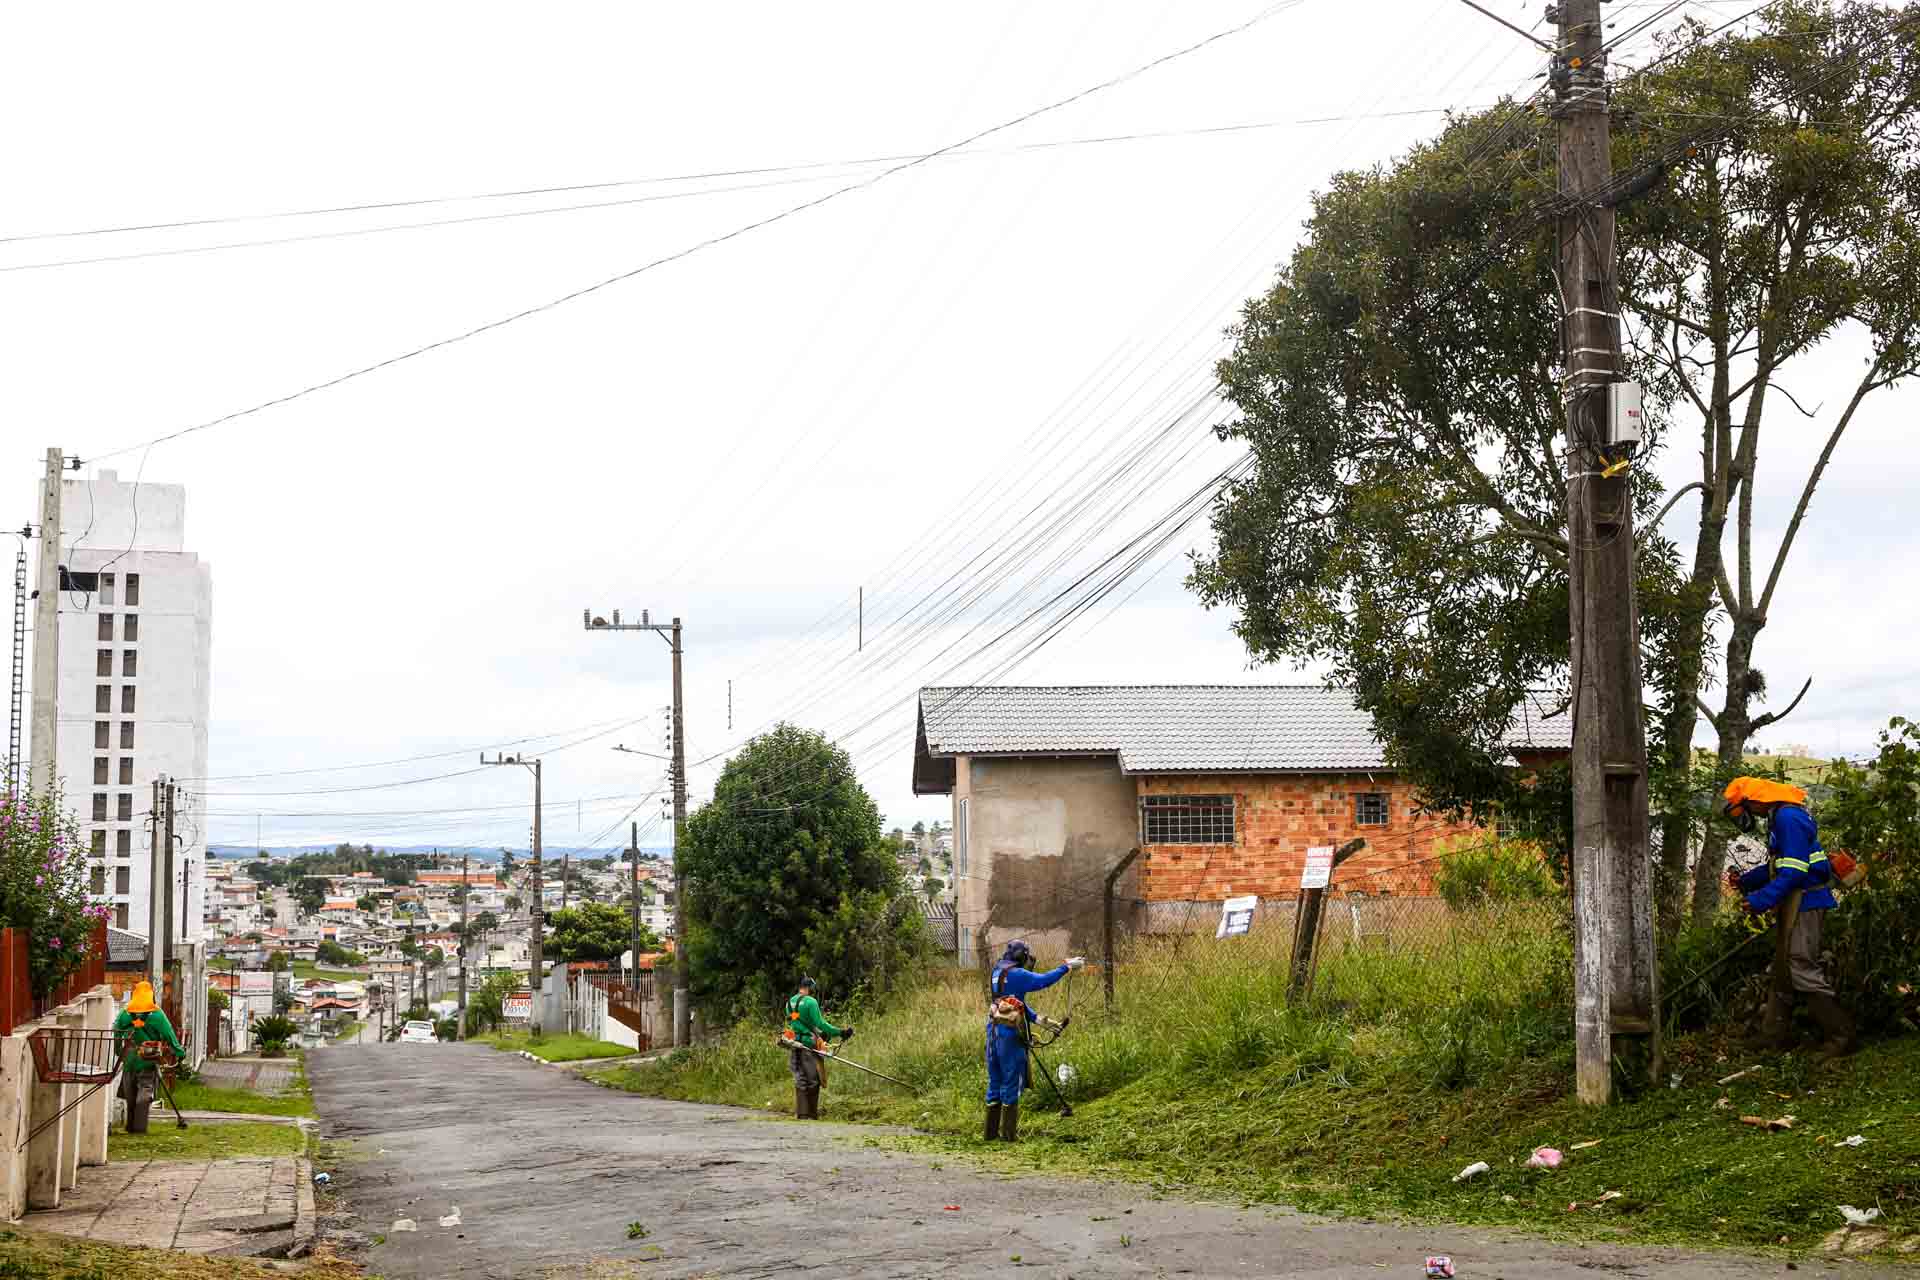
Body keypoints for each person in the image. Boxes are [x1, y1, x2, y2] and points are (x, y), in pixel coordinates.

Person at [1722, 776, 1854, 1060]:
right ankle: (1773, 1036)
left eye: (1740, 809)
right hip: (1795, 899)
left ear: (1754, 802)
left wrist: (1760, 899)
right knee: (1783, 968)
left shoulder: (1787, 818)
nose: (1744, 816)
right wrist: (1746, 882)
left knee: (1800, 965)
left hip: (1806, 901)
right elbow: (1781, 864)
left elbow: (1794, 872)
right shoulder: (1780, 816)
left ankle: (1840, 1035)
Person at [984, 939, 1083, 1142]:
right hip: (1009, 1034)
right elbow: (1043, 981)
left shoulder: (997, 971)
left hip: (993, 1031)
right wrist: (1066, 967)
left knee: (995, 1081)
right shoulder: (1018, 974)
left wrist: (1038, 1019)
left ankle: (990, 1135)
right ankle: (1009, 1137)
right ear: (1021, 956)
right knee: (1011, 1080)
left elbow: (1012, 1002)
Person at [783, 976, 851, 1120]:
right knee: (813, 1079)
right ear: (810, 988)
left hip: (795, 1044)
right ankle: (811, 1115)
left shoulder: (789, 1003)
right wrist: (840, 1032)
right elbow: (821, 1024)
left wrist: (819, 1034)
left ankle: (802, 1114)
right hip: (808, 1045)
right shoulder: (810, 1002)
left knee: (800, 1079)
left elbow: (795, 1019)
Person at [113, 981, 186, 1112]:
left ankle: (132, 1123)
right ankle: (140, 1116)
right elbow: (169, 1034)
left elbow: (116, 1031)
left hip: (129, 1058)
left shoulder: (124, 1013)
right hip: (148, 1056)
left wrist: (118, 1051)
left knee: (130, 1091)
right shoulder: (157, 1014)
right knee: (145, 1086)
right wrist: (179, 1053)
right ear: (151, 996)